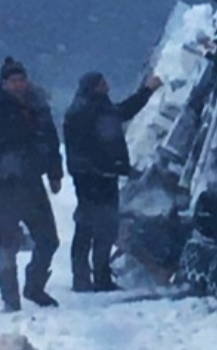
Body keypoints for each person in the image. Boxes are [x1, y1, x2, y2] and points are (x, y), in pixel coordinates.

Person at [0, 57, 63, 311]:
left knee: (49, 240)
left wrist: (55, 173)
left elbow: (51, 142)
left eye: (22, 80)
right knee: (7, 244)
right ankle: (10, 298)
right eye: (14, 81)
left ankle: (35, 286)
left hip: (32, 183)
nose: (19, 85)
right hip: (4, 186)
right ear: (4, 83)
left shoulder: (38, 107)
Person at [63, 71, 162, 292]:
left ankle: (88, 276)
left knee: (91, 226)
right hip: (96, 178)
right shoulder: (90, 110)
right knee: (100, 226)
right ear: (95, 86)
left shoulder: (89, 106)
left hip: (93, 176)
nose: (107, 84)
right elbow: (121, 114)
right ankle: (96, 277)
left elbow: (119, 114)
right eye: (102, 82)